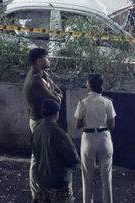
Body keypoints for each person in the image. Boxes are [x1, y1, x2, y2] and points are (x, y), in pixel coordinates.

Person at [24, 47, 64, 200]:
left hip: (43, 121)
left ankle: (41, 189)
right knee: (38, 157)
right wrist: (56, 95)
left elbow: (58, 92)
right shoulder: (35, 80)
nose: (50, 60)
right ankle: (36, 192)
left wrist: (56, 94)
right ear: (39, 60)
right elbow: (56, 98)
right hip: (39, 122)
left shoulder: (43, 75)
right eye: (47, 58)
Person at [75, 74, 116, 203]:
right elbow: (112, 125)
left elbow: (77, 125)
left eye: (87, 83)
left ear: (90, 85)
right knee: (106, 176)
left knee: (87, 176)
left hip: (88, 138)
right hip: (104, 137)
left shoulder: (83, 102)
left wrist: (86, 121)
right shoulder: (107, 102)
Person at [32, 99, 80, 203]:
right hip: (58, 180)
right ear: (56, 113)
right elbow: (72, 156)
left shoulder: (36, 130)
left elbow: (35, 153)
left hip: (41, 179)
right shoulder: (59, 134)